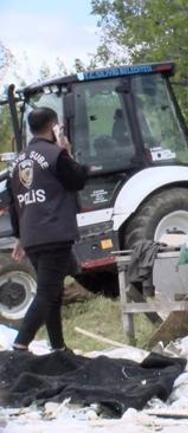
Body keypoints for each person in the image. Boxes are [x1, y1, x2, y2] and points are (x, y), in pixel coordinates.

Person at [9, 107, 89, 352]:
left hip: (32, 237)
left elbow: (13, 204)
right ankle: (20, 346)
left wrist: (20, 237)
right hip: (54, 232)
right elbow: (78, 180)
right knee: (46, 292)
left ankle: (58, 348)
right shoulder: (57, 155)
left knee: (53, 291)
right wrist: (67, 151)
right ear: (54, 126)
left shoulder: (17, 162)